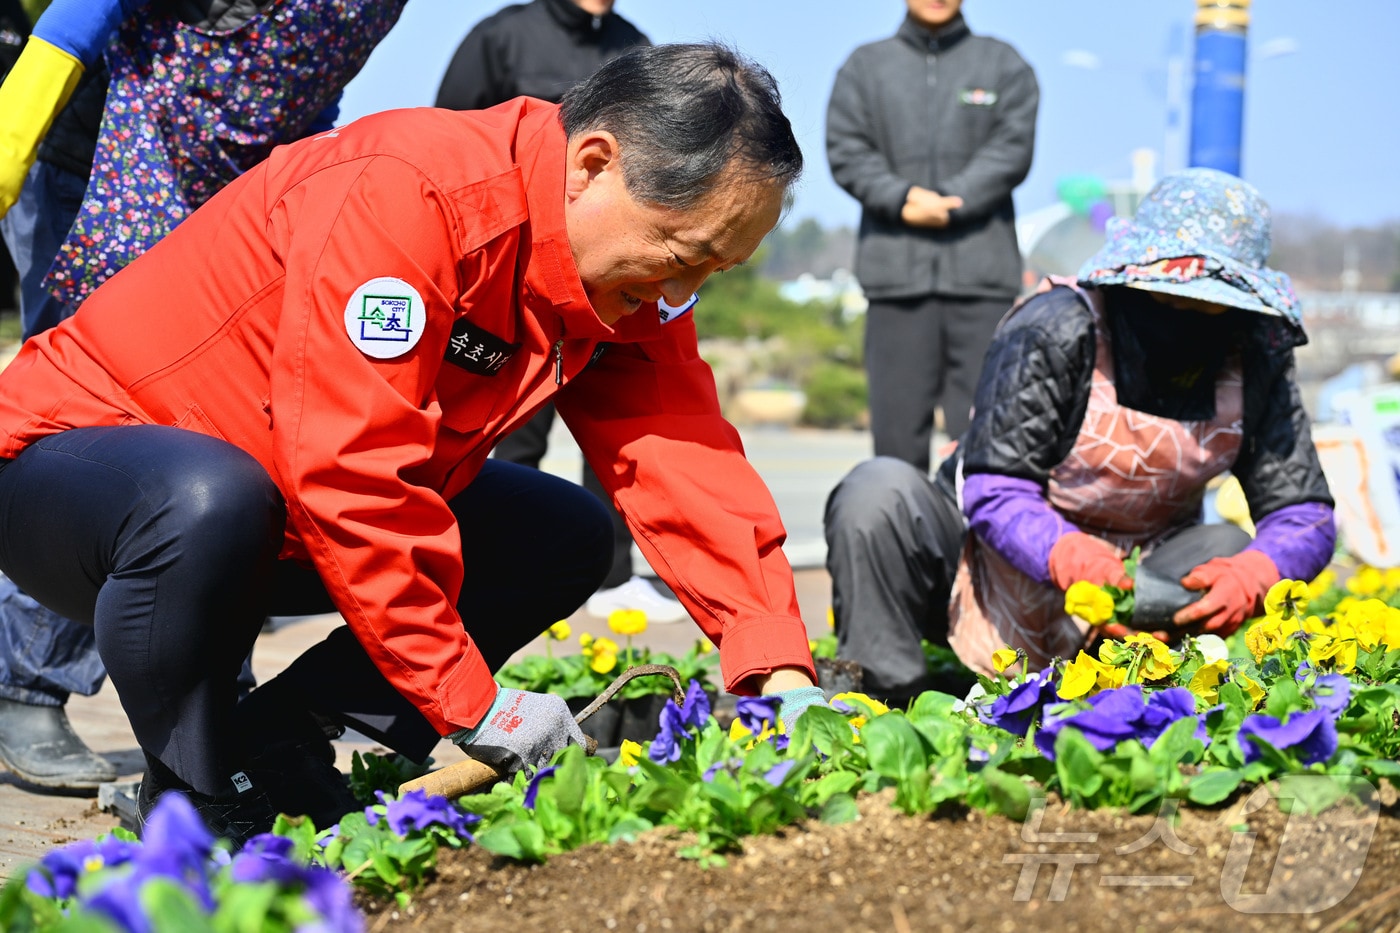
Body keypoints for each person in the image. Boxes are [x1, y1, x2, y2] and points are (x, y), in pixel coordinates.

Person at [0, 42, 827, 844]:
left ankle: (276, 738)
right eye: (683, 254)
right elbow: (352, 474)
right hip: (80, 479)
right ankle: (197, 790)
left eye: (713, 272)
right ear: (593, 165)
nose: (679, 291)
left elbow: (685, 457)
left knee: (562, 532)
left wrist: (779, 670)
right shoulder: (413, 194)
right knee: (209, 500)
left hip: (279, 509)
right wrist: (473, 702)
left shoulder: (630, 286)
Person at [0, 0, 402, 790]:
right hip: (108, 160)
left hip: (237, 186)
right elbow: (83, 12)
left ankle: (208, 687)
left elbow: (310, 82)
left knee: (234, 420)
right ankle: (25, 685)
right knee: (95, 416)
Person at [823, 168, 1337, 702]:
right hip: (982, 565)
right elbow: (995, 487)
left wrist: (1258, 570)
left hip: (1133, 590)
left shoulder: (1253, 354)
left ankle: (1146, 690)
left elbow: (1305, 512)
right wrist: (1068, 555)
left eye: (1207, 308)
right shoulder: (1056, 327)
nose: (1185, 319)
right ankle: (883, 694)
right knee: (877, 495)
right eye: (1169, 300)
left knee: (1228, 547)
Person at [436, 0, 686, 623]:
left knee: (622, 435)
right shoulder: (501, 35)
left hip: (609, 278)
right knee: (514, 433)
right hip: (516, 280)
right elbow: (451, 137)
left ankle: (617, 576)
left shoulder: (635, 44)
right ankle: (489, 563)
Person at [825, 0, 1038, 472]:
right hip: (895, 284)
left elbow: (1012, 148)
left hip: (982, 283)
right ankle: (905, 545)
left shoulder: (1003, 64)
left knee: (988, 441)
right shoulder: (865, 67)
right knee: (896, 446)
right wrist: (900, 197)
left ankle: (980, 545)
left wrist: (952, 201)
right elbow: (846, 148)